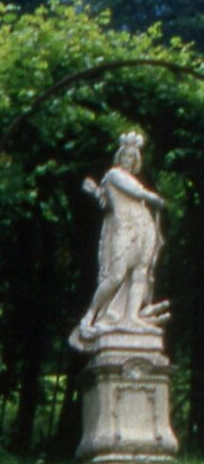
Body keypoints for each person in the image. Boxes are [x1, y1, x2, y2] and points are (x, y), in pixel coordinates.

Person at [72, 130, 168, 348]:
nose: (127, 160)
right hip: (124, 227)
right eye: (124, 156)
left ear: (136, 161)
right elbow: (137, 192)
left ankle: (132, 317)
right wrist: (154, 197)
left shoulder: (128, 179)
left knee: (140, 272)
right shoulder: (115, 175)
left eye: (132, 158)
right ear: (119, 157)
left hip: (142, 226)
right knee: (116, 274)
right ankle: (90, 316)